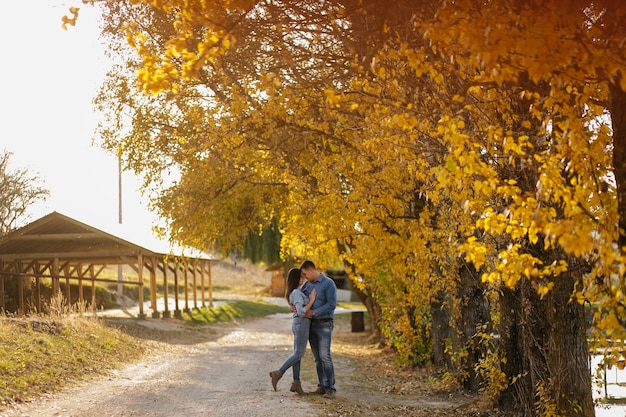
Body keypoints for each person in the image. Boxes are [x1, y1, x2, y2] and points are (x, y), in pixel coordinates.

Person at [269, 268, 316, 394]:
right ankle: (278, 373)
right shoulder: (296, 292)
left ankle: (296, 383)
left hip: (300, 324)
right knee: (298, 354)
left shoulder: (296, 292)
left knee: (297, 354)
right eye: (301, 276)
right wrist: (311, 300)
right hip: (301, 323)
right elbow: (301, 312)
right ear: (296, 278)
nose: (303, 278)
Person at [299, 260, 337, 399]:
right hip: (311, 325)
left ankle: (330, 388)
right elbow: (298, 296)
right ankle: (321, 385)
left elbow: (331, 305)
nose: (304, 277)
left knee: (325, 356)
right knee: (317, 358)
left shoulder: (328, 283)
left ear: (310, 269)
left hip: (325, 324)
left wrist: (314, 312)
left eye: (305, 274)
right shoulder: (306, 285)